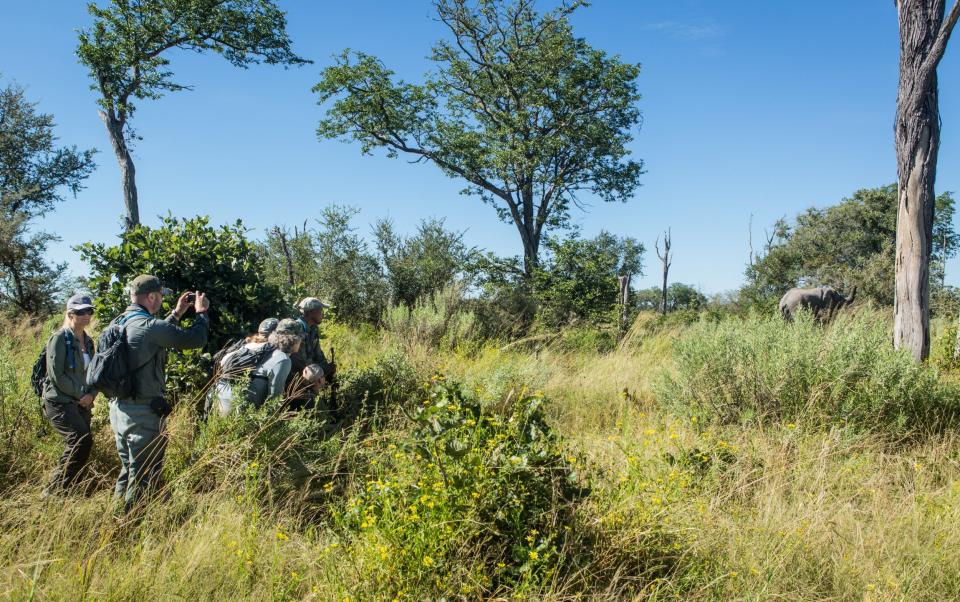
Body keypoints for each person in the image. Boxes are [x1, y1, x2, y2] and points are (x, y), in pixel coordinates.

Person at [109, 275, 210, 511]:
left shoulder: (120, 321)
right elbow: (196, 339)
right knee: (145, 472)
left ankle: (115, 518)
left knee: (129, 468)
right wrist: (201, 313)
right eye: (161, 295)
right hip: (142, 414)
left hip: (119, 410)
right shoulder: (150, 326)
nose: (162, 299)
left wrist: (176, 313)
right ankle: (133, 527)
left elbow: (152, 338)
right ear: (151, 296)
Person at [41, 294, 98, 496]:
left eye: (89, 311)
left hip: (83, 402)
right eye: (81, 312)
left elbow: (94, 373)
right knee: (80, 439)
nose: (87, 315)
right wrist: (81, 395)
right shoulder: (59, 338)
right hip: (60, 401)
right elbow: (57, 375)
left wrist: (92, 394)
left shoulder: (89, 342)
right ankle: (54, 490)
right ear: (70, 314)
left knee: (84, 442)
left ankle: (70, 490)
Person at [209, 318, 302, 415]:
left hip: (218, 404)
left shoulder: (250, 348)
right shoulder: (282, 359)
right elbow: (274, 399)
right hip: (241, 414)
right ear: (295, 340)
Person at [287, 297, 334, 412]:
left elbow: (318, 353)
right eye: (320, 311)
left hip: (309, 374)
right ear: (312, 312)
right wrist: (324, 369)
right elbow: (301, 362)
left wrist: (327, 368)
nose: (322, 314)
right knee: (315, 408)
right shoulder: (297, 329)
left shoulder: (313, 328)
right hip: (296, 377)